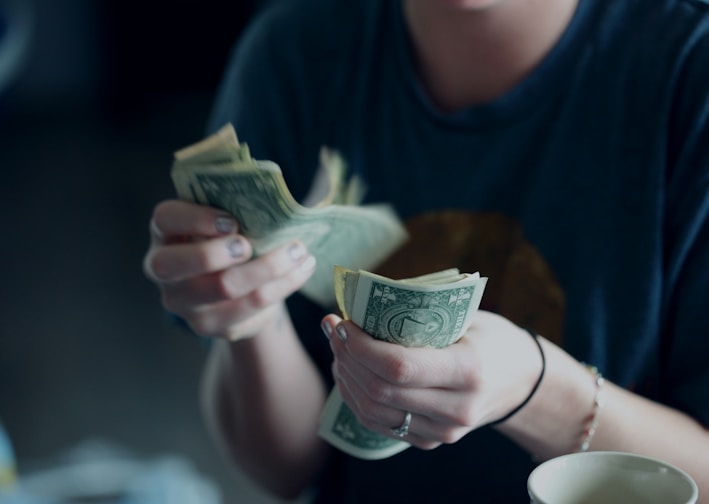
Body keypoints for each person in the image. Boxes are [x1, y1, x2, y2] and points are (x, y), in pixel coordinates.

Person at [143, 0, 709, 501]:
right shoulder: (294, 52)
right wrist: (252, 319)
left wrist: (535, 391)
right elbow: (285, 471)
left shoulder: (687, 71)